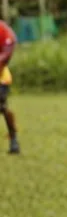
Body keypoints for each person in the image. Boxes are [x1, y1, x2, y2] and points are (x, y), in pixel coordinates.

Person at [0, 19, 20, 155]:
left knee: (2, 107)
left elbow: (8, 50)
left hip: (1, 78)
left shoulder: (2, 30)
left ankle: (13, 139)